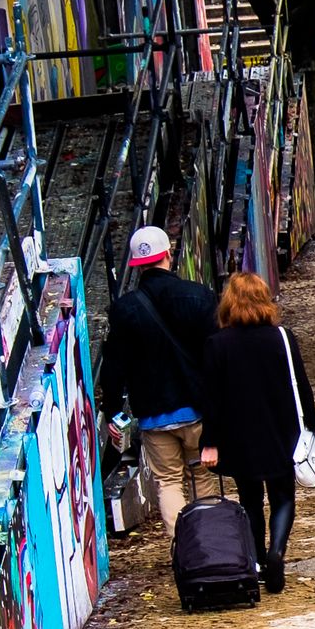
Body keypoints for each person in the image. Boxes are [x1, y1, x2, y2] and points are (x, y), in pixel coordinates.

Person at [199, 273, 315, 594]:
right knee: (283, 497)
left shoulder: (217, 344)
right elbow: (302, 385)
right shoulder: (282, 337)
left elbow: (210, 398)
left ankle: (255, 561)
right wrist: (313, 423)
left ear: (229, 303)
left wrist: (209, 442)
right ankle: (277, 552)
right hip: (281, 431)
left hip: (239, 435)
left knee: (250, 499)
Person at [98, 226, 217, 535]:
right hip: (199, 409)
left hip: (154, 415)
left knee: (168, 483)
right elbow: (216, 353)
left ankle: (184, 548)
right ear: (168, 254)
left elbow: (113, 367)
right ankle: (210, 545)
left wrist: (113, 410)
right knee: (201, 476)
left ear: (136, 264)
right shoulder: (199, 296)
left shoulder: (124, 310)